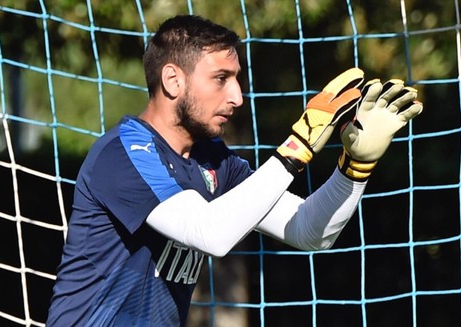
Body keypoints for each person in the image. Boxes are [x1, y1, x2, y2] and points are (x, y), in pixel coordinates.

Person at [46, 14, 422, 326]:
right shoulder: (124, 153)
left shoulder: (215, 160)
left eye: (237, 79)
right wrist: (299, 146)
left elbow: (310, 232)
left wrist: (355, 167)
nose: (237, 96)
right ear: (173, 80)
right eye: (221, 78)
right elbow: (209, 233)